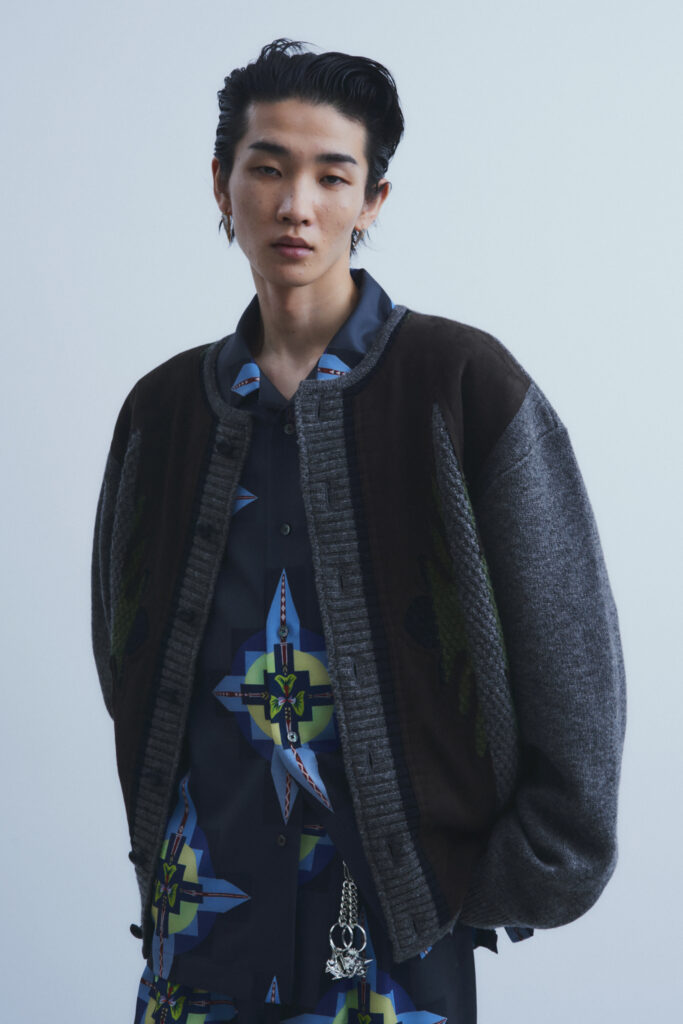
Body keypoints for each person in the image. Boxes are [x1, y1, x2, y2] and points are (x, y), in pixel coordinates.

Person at [91, 38, 626, 1024]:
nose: (295, 205)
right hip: (198, 921)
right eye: (267, 168)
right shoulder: (163, 410)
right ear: (220, 183)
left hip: (389, 929)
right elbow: (122, 651)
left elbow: (571, 662)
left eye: (330, 176)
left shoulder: (462, 385)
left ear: (372, 198)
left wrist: (499, 879)